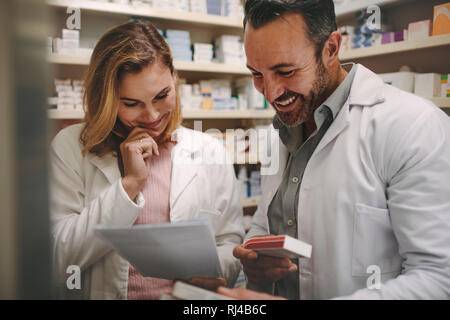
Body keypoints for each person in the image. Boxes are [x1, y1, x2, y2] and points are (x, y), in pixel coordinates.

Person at [221, 0, 450, 299]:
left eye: (286, 71)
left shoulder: (413, 126)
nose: (271, 93)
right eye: (257, 74)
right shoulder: (279, 130)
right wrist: (256, 261)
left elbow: (437, 279)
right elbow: (266, 222)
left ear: (331, 48)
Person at [49, 21, 244, 299]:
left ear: (174, 77)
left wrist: (216, 271)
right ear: (105, 98)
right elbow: (56, 258)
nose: (152, 116)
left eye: (162, 96)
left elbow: (229, 243)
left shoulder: (208, 149)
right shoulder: (70, 147)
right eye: (131, 103)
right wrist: (129, 185)